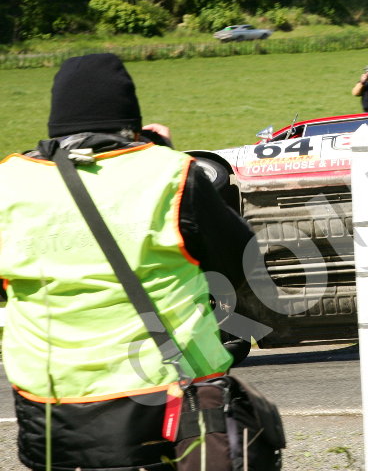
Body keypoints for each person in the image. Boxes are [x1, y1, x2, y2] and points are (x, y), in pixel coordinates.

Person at [0, 53, 255, 471]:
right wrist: (159, 153)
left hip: (50, 404)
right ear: (131, 122)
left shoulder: (10, 184)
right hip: (170, 398)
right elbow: (240, 264)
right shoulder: (170, 174)